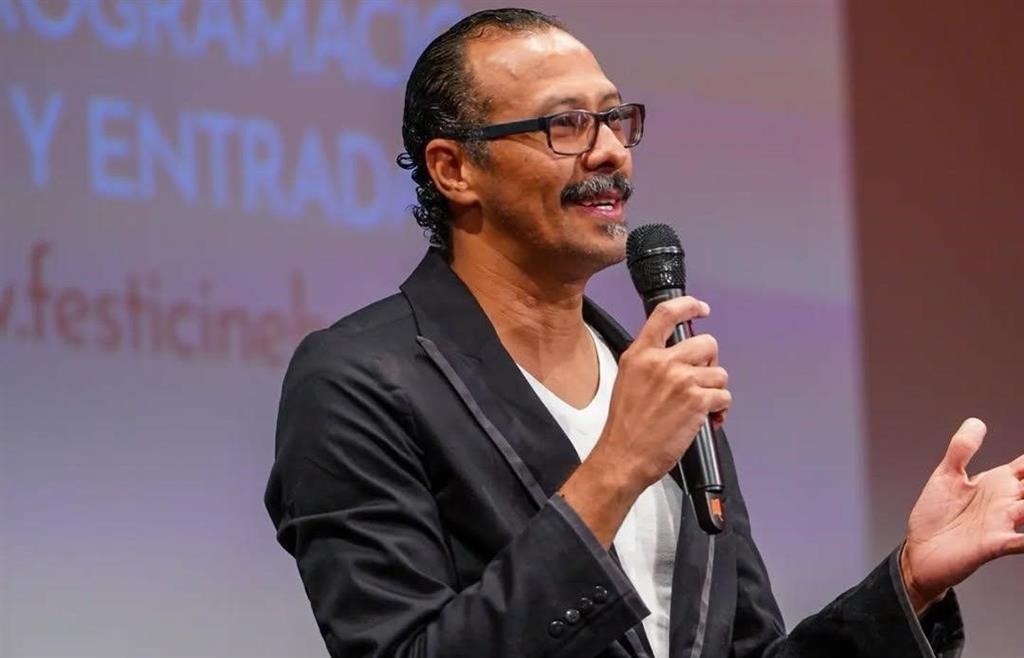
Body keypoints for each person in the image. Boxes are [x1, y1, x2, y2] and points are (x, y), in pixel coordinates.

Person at [264, 9, 1024, 658]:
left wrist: (911, 583)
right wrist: (618, 466)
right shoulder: (361, 379)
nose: (610, 151)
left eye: (614, 118)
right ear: (454, 170)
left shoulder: (659, 383)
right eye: (565, 124)